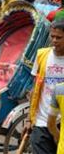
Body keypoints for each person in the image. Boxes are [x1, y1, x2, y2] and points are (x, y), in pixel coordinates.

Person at [27, 19, 64, 154]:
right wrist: (29, 119)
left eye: (59, 37)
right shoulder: (42, 55)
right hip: (42, 121)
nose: (54, 40)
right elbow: (35, 88)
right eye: (52, 36)